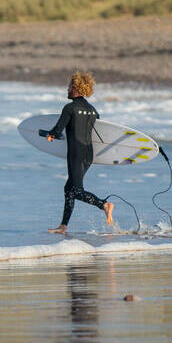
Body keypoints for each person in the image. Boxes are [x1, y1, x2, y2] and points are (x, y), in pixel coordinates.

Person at [45, 71, 113, 234]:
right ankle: (63, 226)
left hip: (75, 154)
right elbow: (97, 122)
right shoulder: (92, 109)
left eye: (69, 86)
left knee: (76, 191)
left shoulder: (69, 108)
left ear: (75, 88)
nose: (67, 89)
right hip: (88, 154)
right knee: (69, 188)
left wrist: (50, 135)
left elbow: (58, 129)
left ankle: (104, 204)